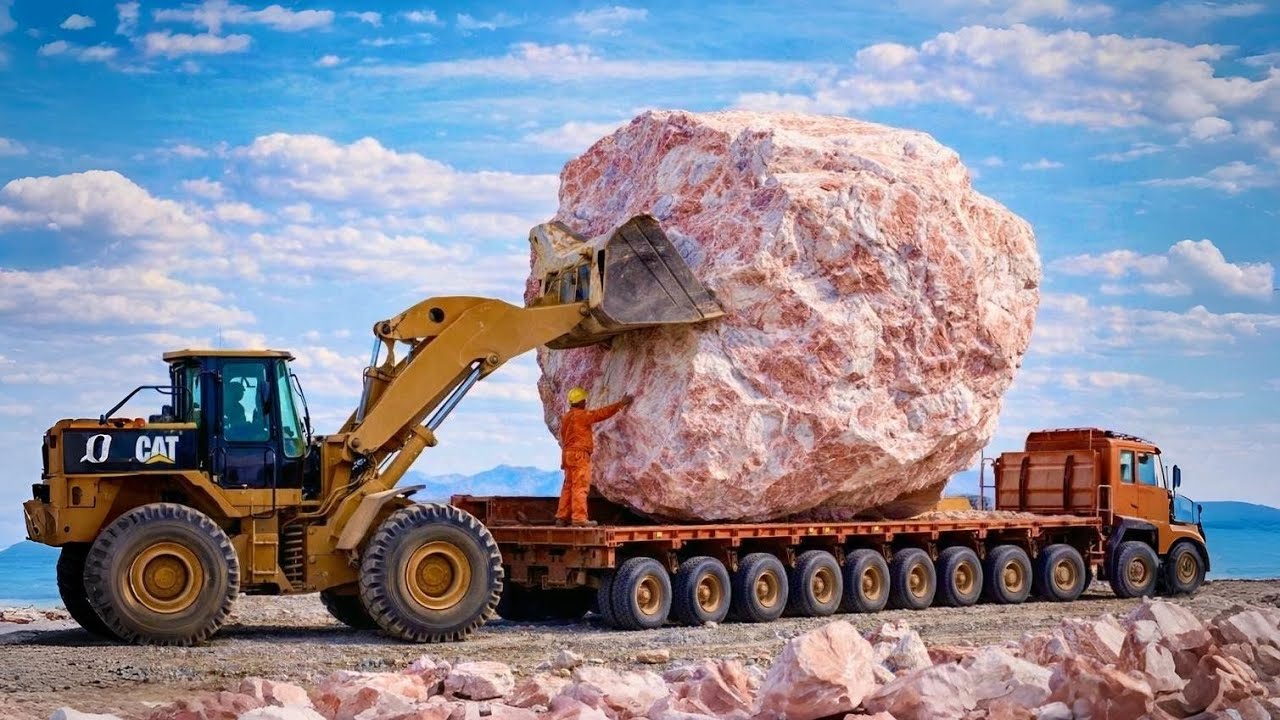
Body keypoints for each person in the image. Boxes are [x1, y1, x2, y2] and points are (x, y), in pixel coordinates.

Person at [556, 387, 633, 527]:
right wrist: (620, 404)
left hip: (567, 455)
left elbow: (563, 435)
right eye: (584, 400)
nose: (585, 402)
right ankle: (579, 518)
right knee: (580, 486)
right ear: (580, 402)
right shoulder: (582, 415)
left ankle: (561, 517)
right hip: (579, 455)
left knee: (568, 486)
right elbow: (600, 414)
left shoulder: (566, 417)